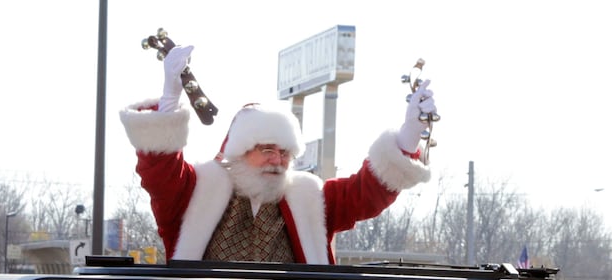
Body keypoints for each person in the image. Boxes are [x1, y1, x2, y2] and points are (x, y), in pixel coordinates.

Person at [119, 45, 436, 264]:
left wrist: (408, 138)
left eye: (285, 153)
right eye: (267, 150)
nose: (278, 160)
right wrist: (169, 101)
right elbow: (160, 173)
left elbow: (363, 195)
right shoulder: (196, 192)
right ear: (241, 152)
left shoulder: (309, 198)